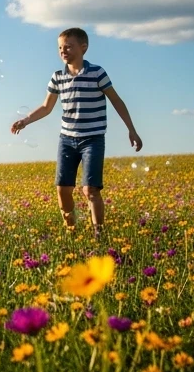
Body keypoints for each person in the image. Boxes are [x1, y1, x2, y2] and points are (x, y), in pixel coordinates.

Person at [11, 27, 142, 239]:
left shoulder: (97, 73)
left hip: (93, 139)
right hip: (67, 139)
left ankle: (99, 233)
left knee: (90, 190)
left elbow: (116, 100)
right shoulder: (57, 77)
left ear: (84, 48)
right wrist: (26, 121)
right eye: (60, 47)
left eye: (68, 46)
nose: (63, 51)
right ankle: (71, 231)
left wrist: (131, 129)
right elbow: (46, 107)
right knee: (63, 189)